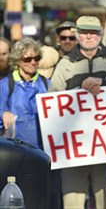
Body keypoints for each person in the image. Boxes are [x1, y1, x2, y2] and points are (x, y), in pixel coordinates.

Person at [48, 16, 106, 209]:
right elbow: (52, 100)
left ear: (100, 35)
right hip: (74, 148)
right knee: (72, 202)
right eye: (84, 32)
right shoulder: (65, 63)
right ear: (77, 35)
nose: (89, 36)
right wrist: (78, 89)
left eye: (93, 32)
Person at [0, 37, 62, 209]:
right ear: (18, 60)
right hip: (17, 153)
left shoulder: (47, 84)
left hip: (44, 152)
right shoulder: (6, 84)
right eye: (27, 58)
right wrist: (3, 113)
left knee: (44, 197)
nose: (32, 62)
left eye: (36, 58)